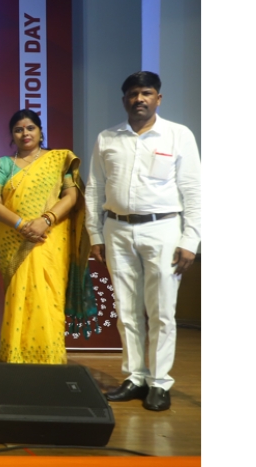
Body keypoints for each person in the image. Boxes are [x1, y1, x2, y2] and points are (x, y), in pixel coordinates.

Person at [85, 71, 201, 412]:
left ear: (158, 98)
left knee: (162, 310)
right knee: (126, 309)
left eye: (146, 93)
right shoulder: (108, 138)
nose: (139, 99)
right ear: (124, 100)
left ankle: (160, 382)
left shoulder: (178, 135)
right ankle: (136, 377)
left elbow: (194, 191)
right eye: (133, 93)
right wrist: (95, 233)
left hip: (163, 229)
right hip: (117, 230)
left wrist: (191, 240)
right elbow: (94, 188)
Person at [0, 109, 94, 365]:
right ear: (12, 135)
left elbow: (71, 196)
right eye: (18, 129)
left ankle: (50, 359)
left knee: (49, 298)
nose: (25, 133)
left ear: (40, 132)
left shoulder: (58, 159)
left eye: (30, 128)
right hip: (15, 239)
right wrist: (22, 225)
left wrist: (46, 220)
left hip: (51, 239)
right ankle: (16, 358)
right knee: (19, 298)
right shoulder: (4, 164)